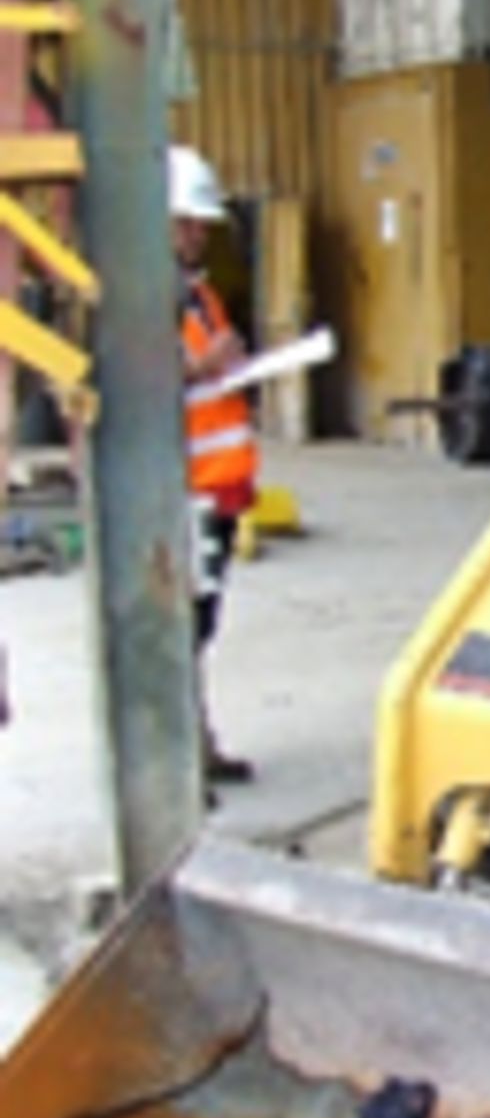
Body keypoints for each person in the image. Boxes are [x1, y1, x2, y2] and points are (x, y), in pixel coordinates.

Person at [171, 145, 256, 787]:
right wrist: (204, 368)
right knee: (179, 630)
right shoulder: (142, 295)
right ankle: (181, 757)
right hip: (182, 491)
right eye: (187, 221)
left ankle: (196, 744)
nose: (199, 233)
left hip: (217, 489)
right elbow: (131, 382)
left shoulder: (196, 295)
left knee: (199, 626)